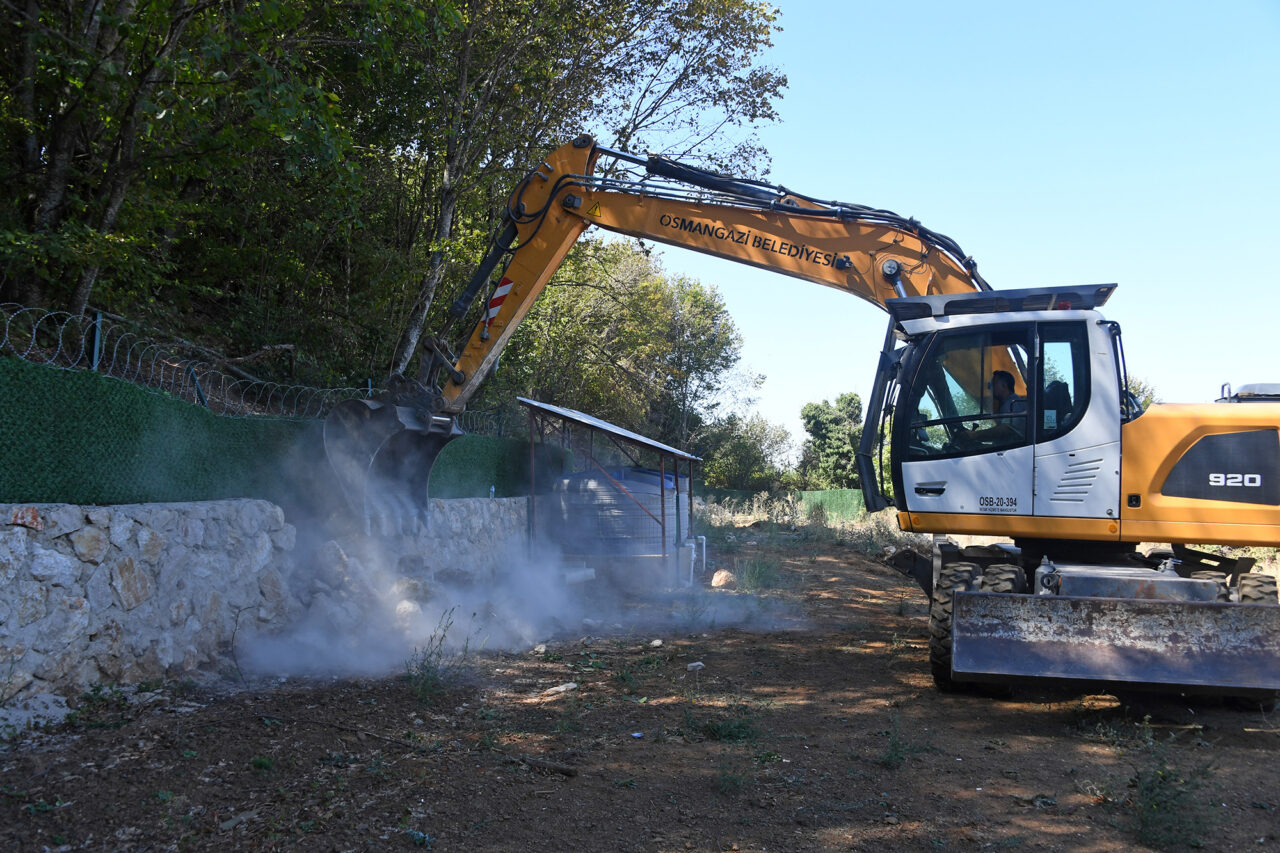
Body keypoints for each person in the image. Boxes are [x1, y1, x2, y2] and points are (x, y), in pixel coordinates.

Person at [954, 370, 1026, 446]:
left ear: (1004, 386)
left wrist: (974, 435)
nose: (990, 388)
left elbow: (1005, 430)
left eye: (993, 384)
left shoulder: (1013, 403)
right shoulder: (1009, 403)